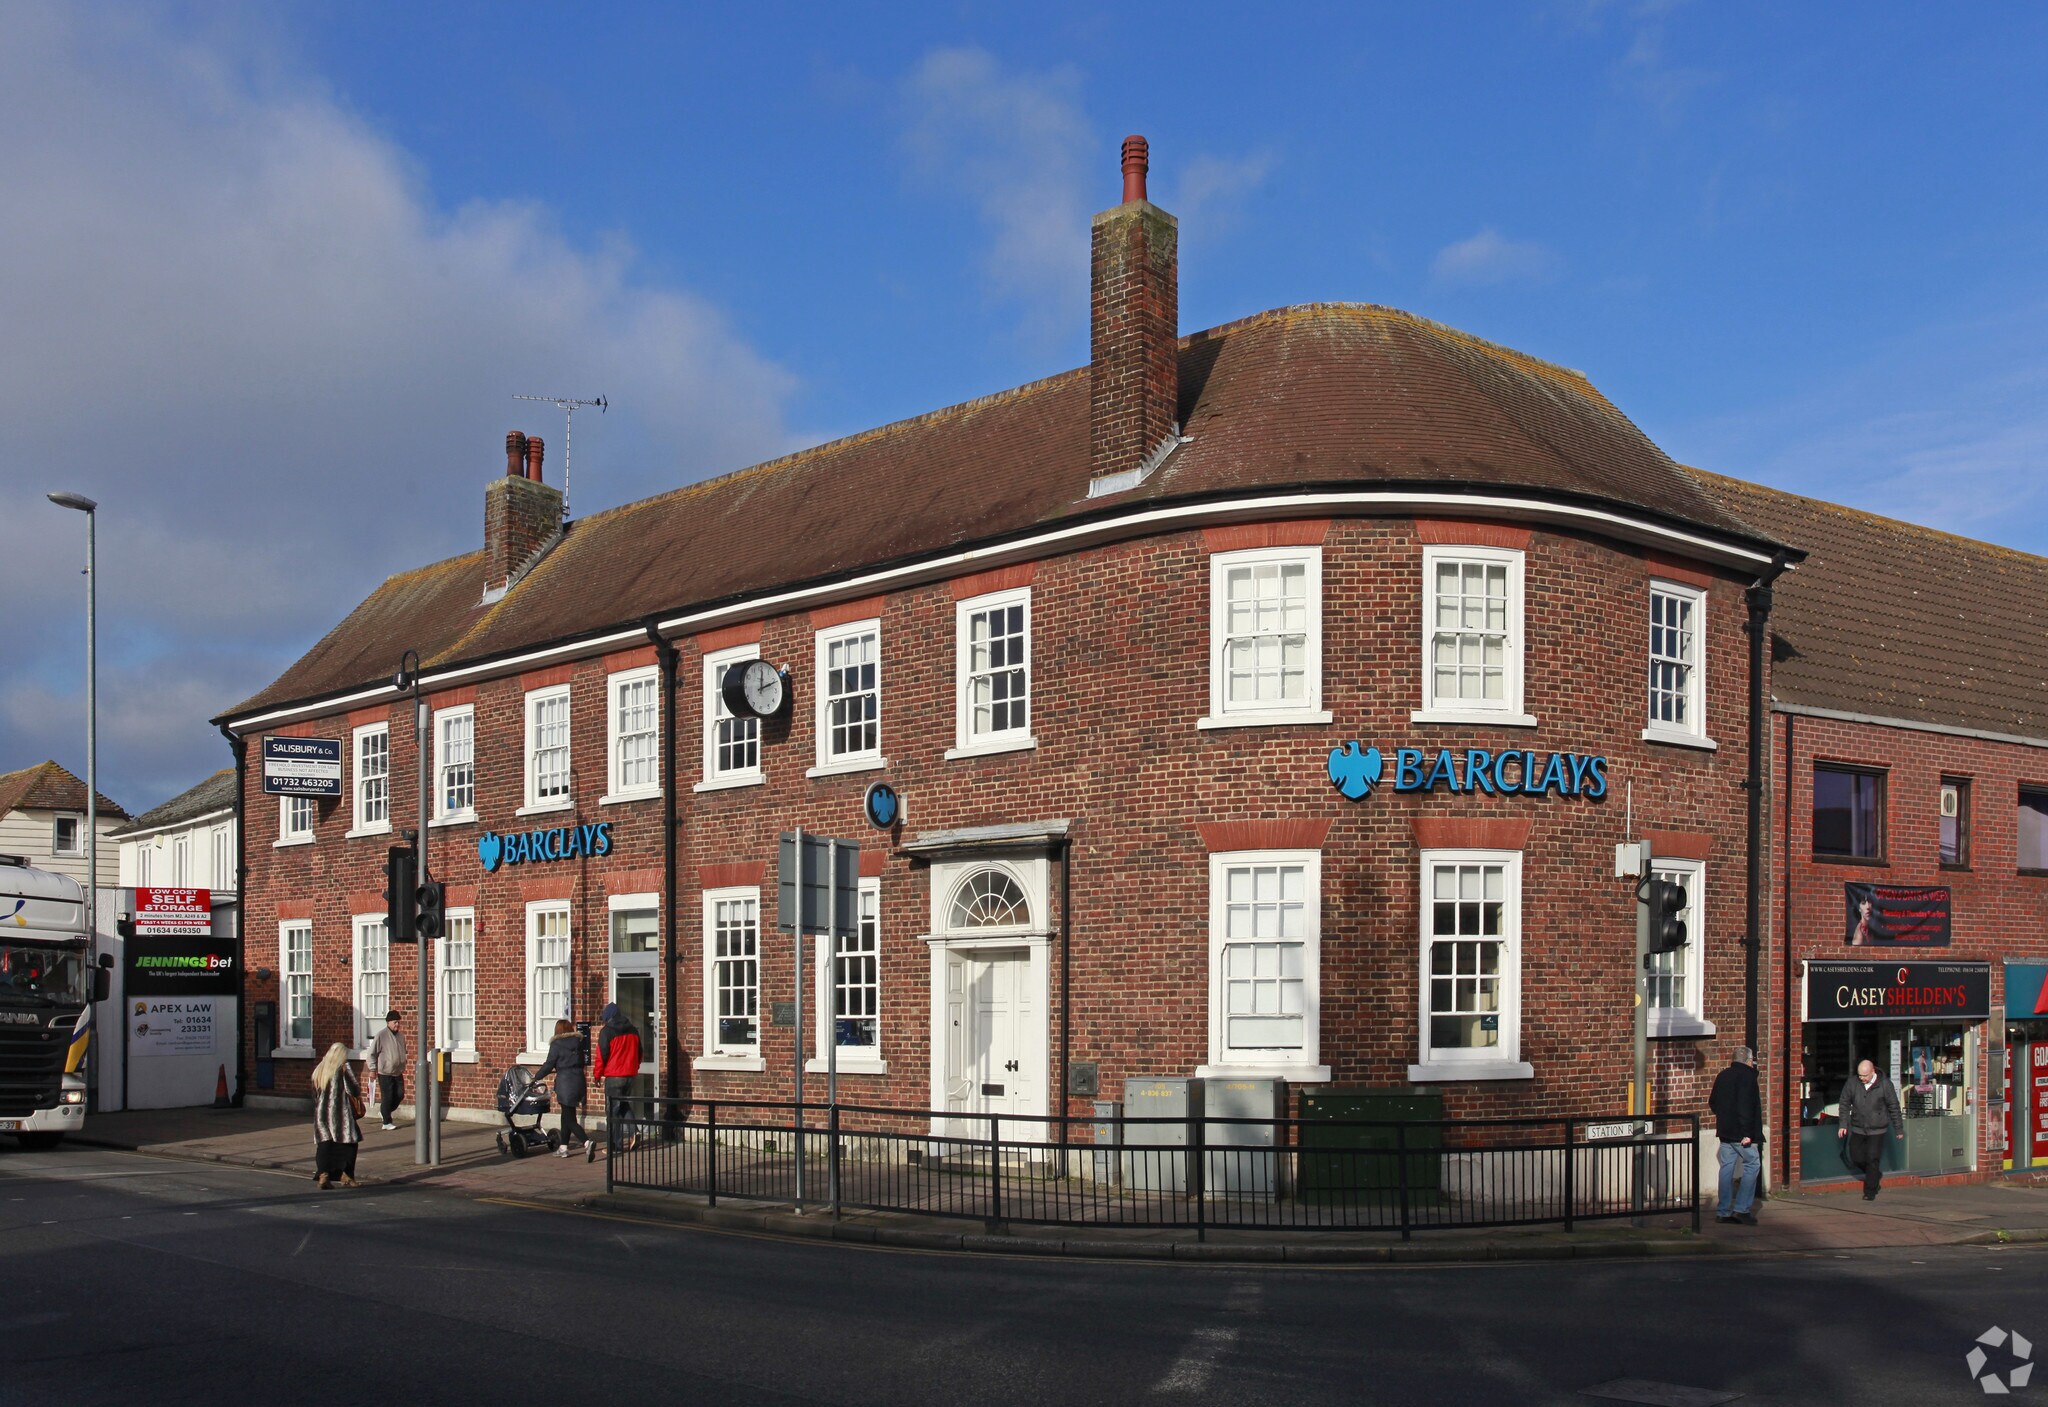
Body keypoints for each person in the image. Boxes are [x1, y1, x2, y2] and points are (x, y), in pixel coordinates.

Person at [1708, 1045, 1763, 1224]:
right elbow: (1745, 1106)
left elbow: (1713, 1102)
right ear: (1748, 1060)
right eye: (1752, 1059)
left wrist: (1725, 1119)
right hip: (1742, 1134)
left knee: (1726, 1168)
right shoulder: (1747, 1077)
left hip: (1725, 1132)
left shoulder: (1722, 1076)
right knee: (1753, 1164)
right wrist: (1747, 1132)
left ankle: (1723, 1211)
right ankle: (1742, 1209)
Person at [1838, 1057, 1905, 1200]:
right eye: (1860, 1075)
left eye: (1865, 1075)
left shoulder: (1885, 1085)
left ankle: (1870, 1191)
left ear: (1872, 1071)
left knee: (1872, 1158)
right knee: (1856, 1158)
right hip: (1858, 1127)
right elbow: (1844, 1103)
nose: (1862, 1078)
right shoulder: (1852, 1083)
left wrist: (1898, 1129)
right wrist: (1843, 1124)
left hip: (1877, 1129)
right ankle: (1874, 1175)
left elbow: (1894, 1107)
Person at [590, 1002, 642, 1161]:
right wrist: (635, 1067)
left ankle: (615, 1144)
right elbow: (640, 1053)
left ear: (608, 1017)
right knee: (624, 1104)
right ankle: (634, 1131)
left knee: (612, 1111)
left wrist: (597, 1076)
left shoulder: (607, 1032)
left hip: (614, 1076)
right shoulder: (633, 1029)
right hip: (630, 1075)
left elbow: (602, 1056)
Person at [311, 1042, 363, 1189]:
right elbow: (354, 1089)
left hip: (321, 1113)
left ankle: (323, 1175)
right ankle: (347, 1175)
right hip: (340, 1113)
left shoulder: (318, 1070)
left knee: (324, 1144)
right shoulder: (343, 1068)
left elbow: (314, 1095)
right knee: (350, 1143)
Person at [531, 1017, 587, 1156]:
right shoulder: (578, 1042)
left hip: (565, 1082)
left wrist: (536, 1077)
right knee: (567, 1113)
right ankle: (563, 1147)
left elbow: (549, 1064)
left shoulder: (557, 1044)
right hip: (579, 1080)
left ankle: (587, 1142)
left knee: (569, 1119)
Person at [368, 1009, 406, 1131]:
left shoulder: (401, 1036)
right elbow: (372, 1053)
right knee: (388, 1096)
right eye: (395, 1022)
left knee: (400, 1095)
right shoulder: (381, 1035)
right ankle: (386, 1121)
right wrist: (372, 1069)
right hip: (385, 1072)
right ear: (388, 1022)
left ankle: (385, 1111)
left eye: (398, 1022)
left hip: (398, 1071)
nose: (397, 1025)